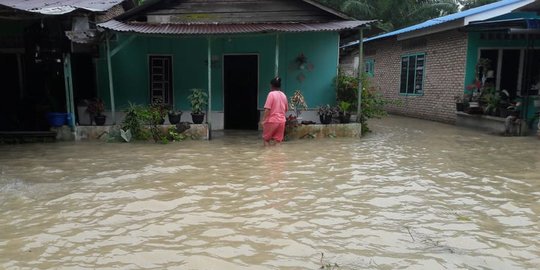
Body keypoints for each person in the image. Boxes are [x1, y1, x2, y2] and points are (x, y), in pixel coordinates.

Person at [261, 76, 288, 146]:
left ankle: (267, 155)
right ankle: (276, 156)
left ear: (271, 85)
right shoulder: (284, 95)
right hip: (282, 121)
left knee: (266, 140)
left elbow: (267, 109)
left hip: (272, 121)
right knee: (278, 141)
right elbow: (286, 109)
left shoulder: (271, 94)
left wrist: (263, 120)